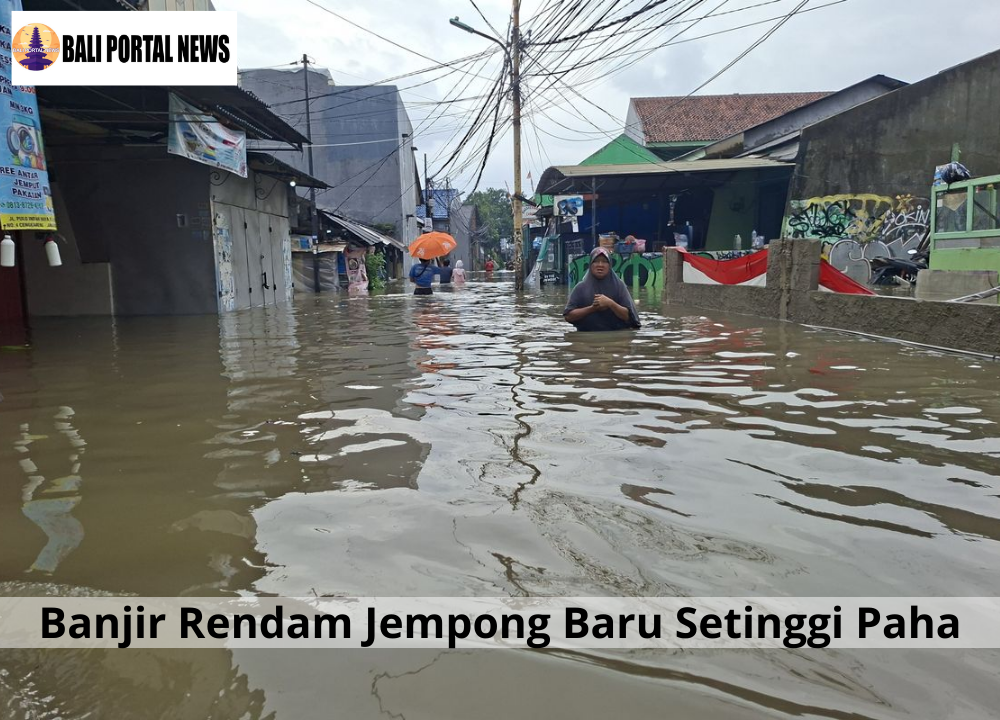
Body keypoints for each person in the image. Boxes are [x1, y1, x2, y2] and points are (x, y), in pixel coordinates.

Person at [563, 247, 641, 332]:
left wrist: (610, 304)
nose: (600, 265)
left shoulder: (619, 286)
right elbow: (568, 316)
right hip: (588, 338)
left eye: (604, 261)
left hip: (615, 337)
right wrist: (592, 308)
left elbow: (628, 316)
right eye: (596, 261)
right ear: (590, 265)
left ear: (610, 265)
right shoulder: (580, 288)